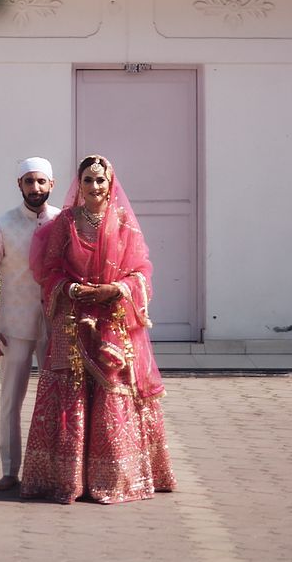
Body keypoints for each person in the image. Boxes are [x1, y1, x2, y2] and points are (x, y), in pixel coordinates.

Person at [20, 154, 177, 505]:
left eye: (100, 180)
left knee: (113, 393)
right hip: (74, 319)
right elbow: (50, 270)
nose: (94, 187)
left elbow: (141, 271)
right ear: (79, 184)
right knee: (71, 391)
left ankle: (117, 477)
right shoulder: (66, 222)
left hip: (112, 319)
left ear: (110, 184)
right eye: (88, 180)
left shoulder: (122, 222)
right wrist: (73, 289)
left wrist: (116, 290)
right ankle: (67, 478)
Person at [0, 156, 59, 490]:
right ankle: (10, 471)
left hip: (56, 326)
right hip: (14, 327)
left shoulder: (64, 222)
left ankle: (56, 470)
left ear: (52, 184)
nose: (35, 188)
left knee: (59, 400)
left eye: (40, 182)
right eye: (28, 181)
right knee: (11, 401)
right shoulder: (2, 225)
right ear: (19, 185)